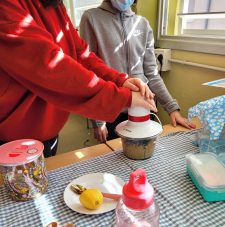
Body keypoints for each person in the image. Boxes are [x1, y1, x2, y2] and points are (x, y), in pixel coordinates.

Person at [0, 0, 157, 157]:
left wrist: (120, 80)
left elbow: (81, 54)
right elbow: (50, 65)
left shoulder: (54, 6)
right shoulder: (7, 6)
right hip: (12, 141)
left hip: (47, 131)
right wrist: (123, 97)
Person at [80, 0, 196, 142]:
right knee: (118, 161)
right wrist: (97, 121)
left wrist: (172, 109)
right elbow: (89, 72)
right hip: (111, 112)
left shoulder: (142, 24)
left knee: (146, 155)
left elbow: (152, 75)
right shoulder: (91, 18)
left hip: (144, 108)